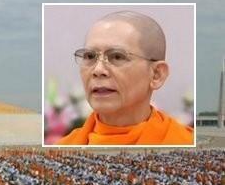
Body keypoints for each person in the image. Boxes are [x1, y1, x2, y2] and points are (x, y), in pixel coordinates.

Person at [56, 10, 193, 146]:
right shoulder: (63, 147)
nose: (98, 70)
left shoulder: (185, 143)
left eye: (117, 56)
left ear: (157, 75)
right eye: (90, 56)